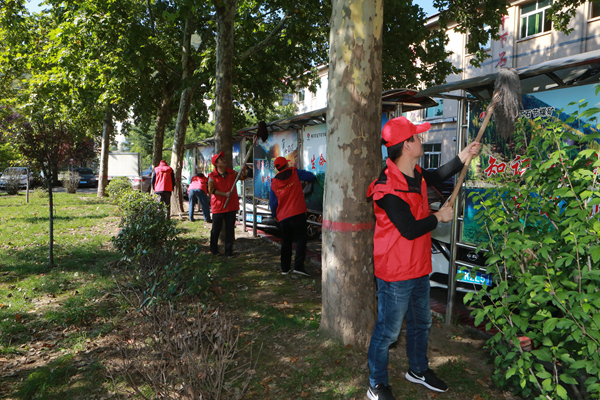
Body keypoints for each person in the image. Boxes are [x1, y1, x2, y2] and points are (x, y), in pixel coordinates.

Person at [365, 117, 481, 400]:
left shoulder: (415, 173)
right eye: (416, 137)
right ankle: (376, 384)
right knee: (388, 333)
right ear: (406, 146)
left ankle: (417, 370)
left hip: (418, 266)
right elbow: (408, 229)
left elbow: (437, 175)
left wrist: (463, 155)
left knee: (422, 323)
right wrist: (438, 217)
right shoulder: (386, 188)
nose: (421, 140)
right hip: (395, 271)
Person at [269, 157, 316, 277]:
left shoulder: (274, 182)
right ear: (287, 164)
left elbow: (273, 202)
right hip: (298, 213)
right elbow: (311, 177)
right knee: (301, 240)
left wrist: (274, 215)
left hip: (284, 216)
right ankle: (299, 267)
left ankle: (285, 268)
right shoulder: (295, 173)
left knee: (286, 242)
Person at [207, 151, 247, 258]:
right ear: (216, 164)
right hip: (218, 207)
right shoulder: (212, 176)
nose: (224, 160)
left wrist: (244, 171)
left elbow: (243, 177)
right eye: (221, 159)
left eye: (223, 158)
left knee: (230, 230)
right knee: (216, 229)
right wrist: (225, 194)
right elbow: (211, 190)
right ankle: (213, 249)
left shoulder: (232, 173)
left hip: (231, 206)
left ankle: (229, 251)